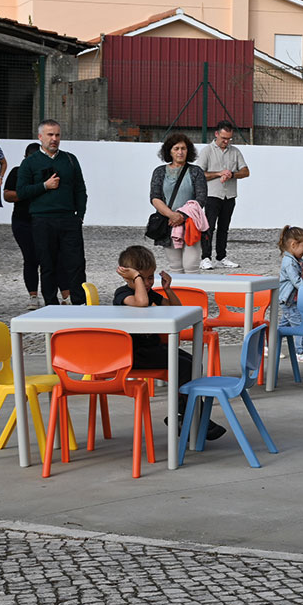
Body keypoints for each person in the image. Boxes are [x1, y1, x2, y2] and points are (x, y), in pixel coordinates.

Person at [114, 245, 223, 440]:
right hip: (133, 354)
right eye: (143, 278)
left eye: (150, 277)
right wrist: (137, 279)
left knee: (191, 362)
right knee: (182, 366)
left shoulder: (149, 293)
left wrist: (167, 290)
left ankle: (186, 413)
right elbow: (141, 303)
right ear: (128, 277)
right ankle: (191, 416)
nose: (148, 282)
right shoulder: (122, 295)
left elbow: (176, 308)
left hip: (151, 349)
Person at [18, 119, 88, 306]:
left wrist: (79, 215)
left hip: (68, 219)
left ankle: (79, 302)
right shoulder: (30, 163)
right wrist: (44, 186)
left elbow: (80, 189)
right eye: (50, 135)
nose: (54, 139)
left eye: (57, 135)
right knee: (47, 264)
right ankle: (51, 304)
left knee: (76, 263)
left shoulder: (70, 160)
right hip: (42, 220)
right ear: (40, 137)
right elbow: (22, 191)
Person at [148, 133, 207, 275]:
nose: (180, 152)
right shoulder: (159, 172)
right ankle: (177, 296)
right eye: (176, 148)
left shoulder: (196, 172)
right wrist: (172, 215)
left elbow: (201, 198)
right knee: (175, 267)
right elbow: (155, 198)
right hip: (168, 224)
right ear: (169, 151)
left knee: (191, 266)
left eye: (183, 148)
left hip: (191, 224)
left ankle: (193, 296)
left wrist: (181, 215)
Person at [197, 120, 249, 270]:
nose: (226, 141)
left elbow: (246, 171)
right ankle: (205, 257)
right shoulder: (207, 151)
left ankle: (221, 257)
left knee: (224, 227)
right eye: (223, 138)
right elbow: (199, 174)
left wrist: (232, 174)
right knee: (209, 227)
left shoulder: (235, 151)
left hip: (230, 196)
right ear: (216, 134)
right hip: (212, 195)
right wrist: (218, 173)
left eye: (229, 139)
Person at [5, 143, 44, 309]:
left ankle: (56, 294)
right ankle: (33, 296)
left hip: (43, 220)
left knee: (49, 259)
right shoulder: (17, 172)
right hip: (23, 221)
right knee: (30, 258)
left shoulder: (45, 173)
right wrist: (31, 191)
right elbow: (7, 195)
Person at [277, 225, 303, 364]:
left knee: (283, 327)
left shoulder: (298, 261)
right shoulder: (289, 262)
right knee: (301, 325)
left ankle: (269, 346)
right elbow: (296, 280)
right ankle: (299, 352)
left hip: (294, 301)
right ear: (294, 245)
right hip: (289, 301)